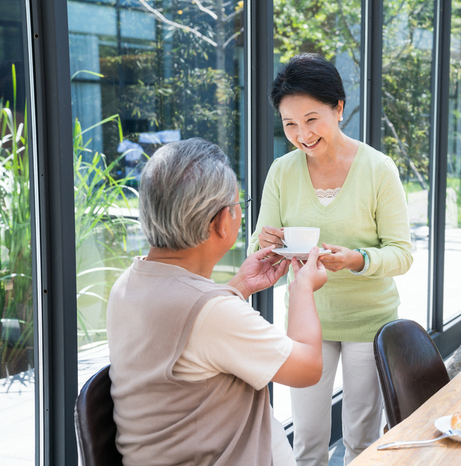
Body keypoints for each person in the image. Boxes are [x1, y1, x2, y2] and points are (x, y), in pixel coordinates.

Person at [106, 138, 327, 466]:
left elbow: (188, 331)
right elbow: (308, 368)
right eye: (239, 205)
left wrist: (238, 286)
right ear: (223, 221)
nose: (240, 214)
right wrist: (302, 290)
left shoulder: (129, 282)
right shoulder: (212, 313)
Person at [249, 54, 413, 465]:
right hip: (307, 324)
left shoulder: (378, 169)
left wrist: (357, 259)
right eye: (289, 124)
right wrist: (266, 244)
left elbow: (402, 253)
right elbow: (258, 249)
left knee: (360, 439)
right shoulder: (281, 172)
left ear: (338, 108)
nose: (301, 134)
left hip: (367, 320)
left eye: (311, 119)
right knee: (307, 442)